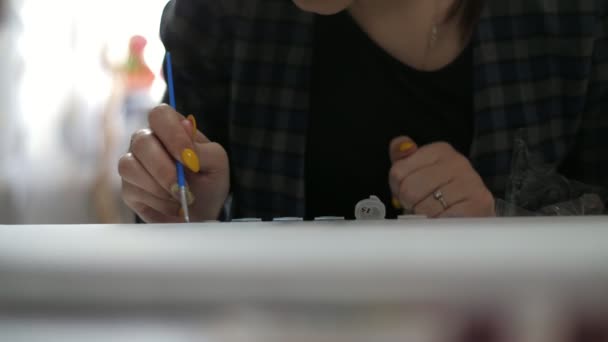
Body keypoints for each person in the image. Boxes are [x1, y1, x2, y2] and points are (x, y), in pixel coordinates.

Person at [119, 0, 608, 223]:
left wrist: (498, 222)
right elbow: (173, 214)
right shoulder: (219, 14)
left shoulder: (574, 17)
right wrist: (193, 213)